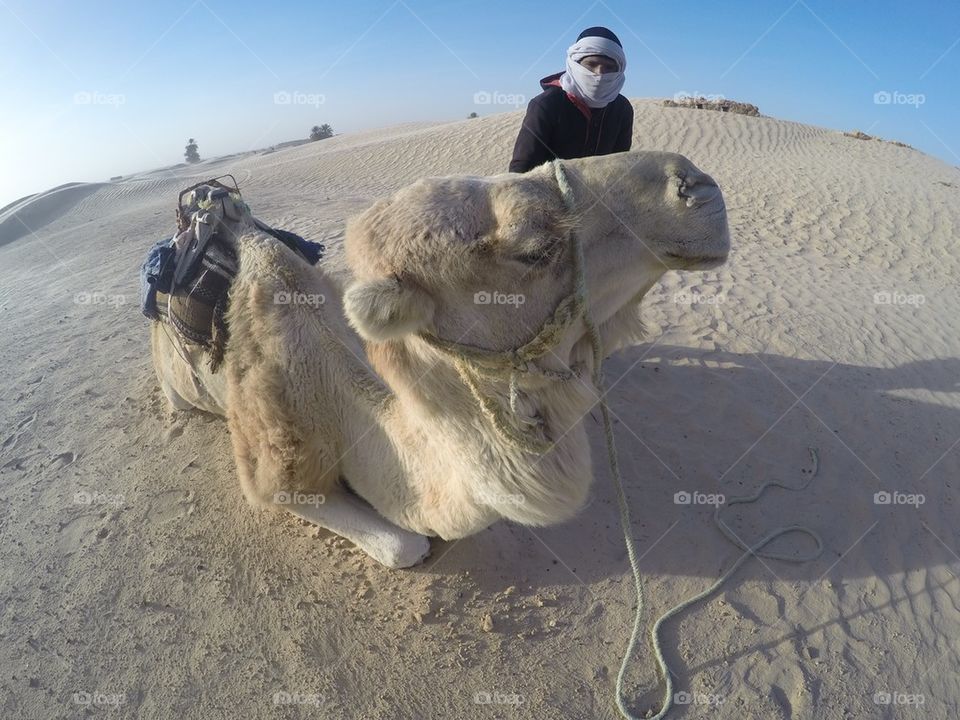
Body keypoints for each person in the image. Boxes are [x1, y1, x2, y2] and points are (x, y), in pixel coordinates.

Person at [509, 26, 633, 173]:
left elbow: (620, 167)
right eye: (591, 64)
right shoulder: (546, 105)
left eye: (609, 67)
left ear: (619, 71)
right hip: (549, 193)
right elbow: (521, 171)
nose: (599, 74)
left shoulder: (622, 108)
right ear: (575, 64)